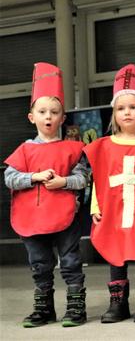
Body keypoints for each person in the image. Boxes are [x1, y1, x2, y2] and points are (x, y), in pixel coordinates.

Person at [3, 63, 88, 328]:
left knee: (71, 260)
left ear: (63, 118)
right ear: (32, 117)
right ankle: (44, 309)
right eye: (42, 112)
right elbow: (9, 178)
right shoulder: (24, 150)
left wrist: (64, 181)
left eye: (54, 112)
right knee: (40, 264)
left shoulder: (74, 149)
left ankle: (76, 308)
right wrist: (34, 177)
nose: (48, 117)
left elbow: (83, 178)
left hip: (65, 216)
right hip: (31, 218)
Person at [83, 64, 135, 323]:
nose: (127, 112)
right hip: (114, 209)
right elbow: (99, 179)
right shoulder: (104, 146)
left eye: (133, 107)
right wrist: (95, 207)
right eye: (121, 108)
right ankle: (118, 303)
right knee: (116, 253)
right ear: (113, 113)